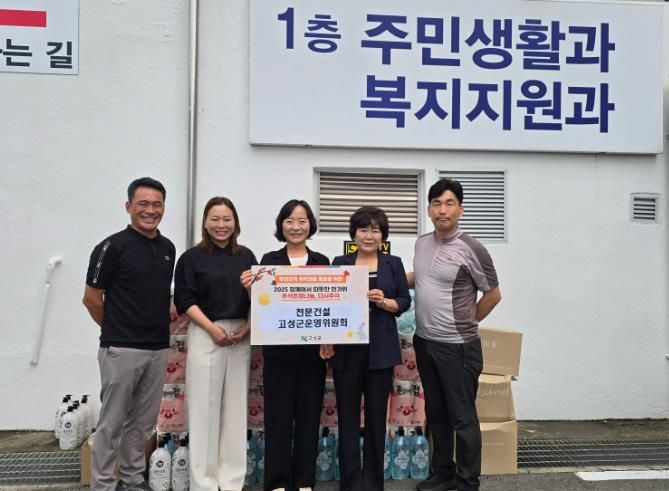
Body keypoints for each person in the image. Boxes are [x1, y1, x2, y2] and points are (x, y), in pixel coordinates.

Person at [408, 178, 502, 491]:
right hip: (425, 342)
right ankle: (443, 474)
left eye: (449, 203)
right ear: (429, 209)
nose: (442, 210)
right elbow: (421, 277)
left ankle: (467, 482)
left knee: (462, 418)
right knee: (436, 413)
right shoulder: (422, 243)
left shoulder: (472, 248)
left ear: (461, 209)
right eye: (436, 203)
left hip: (458, 348)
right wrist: (377, 278)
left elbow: (493, 294)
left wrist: (467, 322)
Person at [83, 177, 176, 491]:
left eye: (157, 204)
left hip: (158, 348)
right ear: (128, 207)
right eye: (143, 204)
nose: (150, 210)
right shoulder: (112, 247)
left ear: (163, 208)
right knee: (111, 423)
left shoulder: (167, 248)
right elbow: (91, 298)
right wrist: (114, 328)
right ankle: (102, 484)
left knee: (143, 423)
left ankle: (133, 479)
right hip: (121, 349)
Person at [241, 199, 329, 491]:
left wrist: (328, 339)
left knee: (308, 418)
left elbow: (330, 306)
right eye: (290, 221)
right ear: (281, 225)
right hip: (278, 353)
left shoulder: (321, 261)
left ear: (310, 225)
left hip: (313, 355)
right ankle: (277, 482)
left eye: (302, 221)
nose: (296, 227)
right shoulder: (270, 260)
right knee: (277, 420)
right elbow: (263, 304)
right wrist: (251, 289)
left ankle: (304, 481)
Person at [321, 206, 411, 491]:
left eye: (375, 230)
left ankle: (373, 483)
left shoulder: (393, 263)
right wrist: (326, 338)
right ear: (354, 234)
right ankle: (350, 482)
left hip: (381, 349)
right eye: (363, 229)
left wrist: (384, 302)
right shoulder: (340, 262)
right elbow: (330, 303)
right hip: (347, 350)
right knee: (347, 418)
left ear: (383, 235)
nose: (369, 235)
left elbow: (404, 301)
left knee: (375, 419)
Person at [174, 197, 257, 491]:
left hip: (241, 333)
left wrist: (248, 326)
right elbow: (185, 300)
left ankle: (231, 480)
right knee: (204, 408)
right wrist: (211, 329)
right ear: (205, 223)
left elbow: (261, 297)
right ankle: (204, 482)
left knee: (235, 408)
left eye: (227, 219)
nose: (221, 225)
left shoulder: (246, 256)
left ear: (236, 223)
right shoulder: (191, 258)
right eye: (215, 219)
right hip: (206, 331)